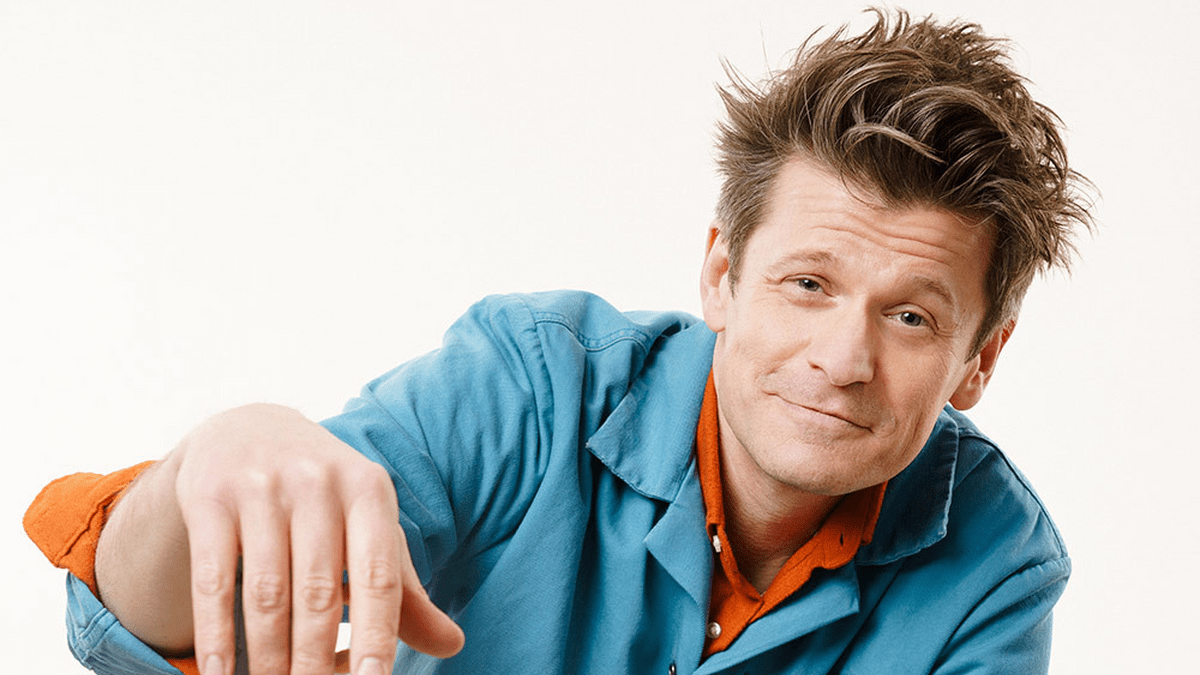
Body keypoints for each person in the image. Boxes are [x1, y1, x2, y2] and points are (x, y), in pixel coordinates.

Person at [24, 8, 1092, 675]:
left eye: (911, 317)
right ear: (720, 276)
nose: (843, 359)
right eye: (807, 284)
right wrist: (204, 470)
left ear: (980, 360)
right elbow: (152, 625)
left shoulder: (998, 565)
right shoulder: (534, 385)